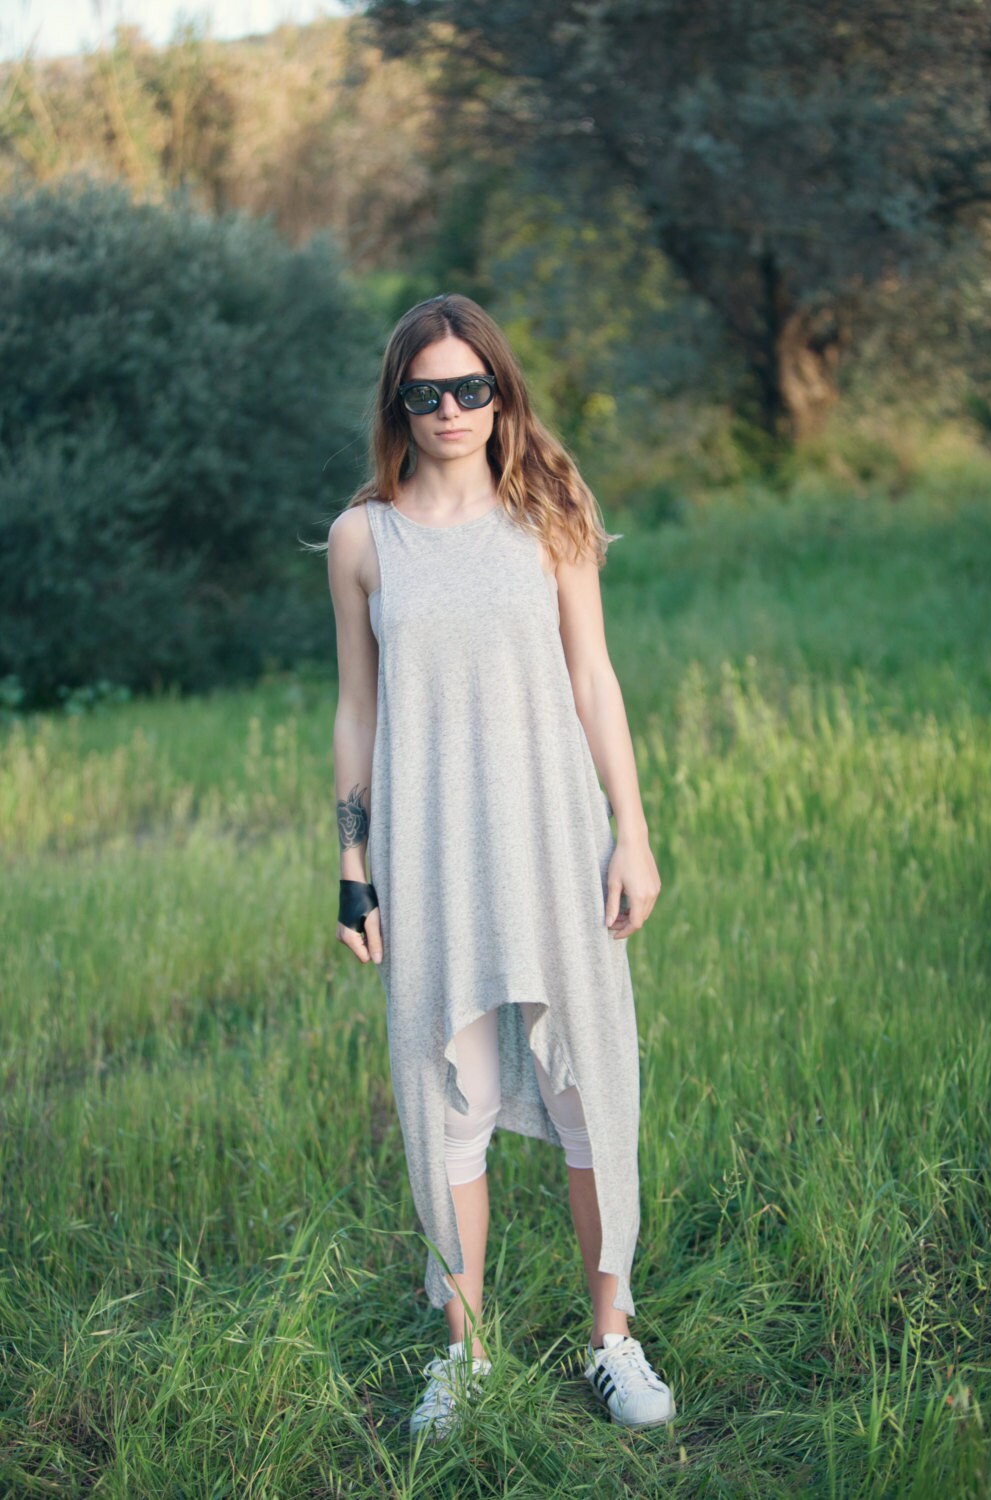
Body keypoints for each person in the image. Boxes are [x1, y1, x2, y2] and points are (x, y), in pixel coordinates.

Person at [325, 293, 675, 1441]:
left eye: (470, 387)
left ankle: (611, 1340)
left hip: (552, 839)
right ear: (399, 404)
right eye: (425, 391)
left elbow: (594, 680)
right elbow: (357, 710)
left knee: (590, 1092)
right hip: (426, 850)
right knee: (450, 1100)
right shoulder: (363, 540)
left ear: (499, 392)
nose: (450, 409)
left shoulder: (549, 512)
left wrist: (631, 830)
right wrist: (351, 860)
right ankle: (465, 1353)